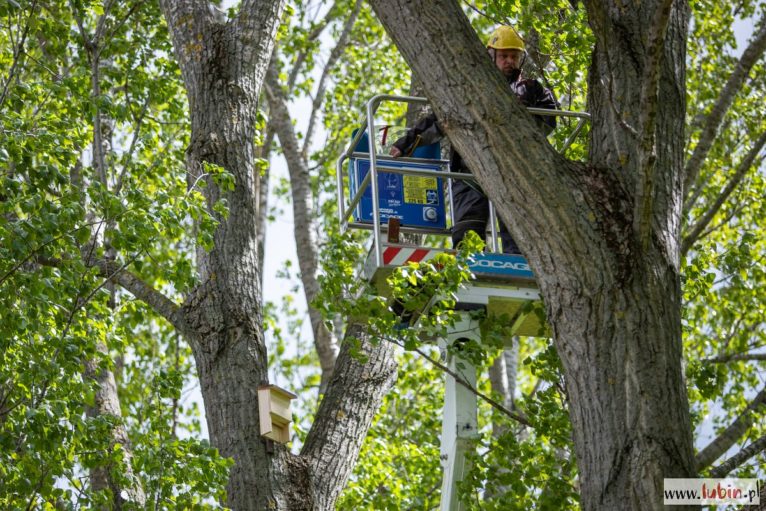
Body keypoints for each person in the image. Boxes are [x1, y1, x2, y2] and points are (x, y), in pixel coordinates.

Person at [390, 26, 558, 255]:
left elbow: (549, 119)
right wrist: (405, 144)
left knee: (518, 230)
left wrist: (519, 121)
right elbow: (439, 118)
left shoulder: (531, 89)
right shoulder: (470, 88)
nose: (509, 61)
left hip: (513, 169)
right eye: (504, 56)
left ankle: (520, 264)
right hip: (470, 169)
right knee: (468, 231)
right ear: (491, 55)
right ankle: (468, 267)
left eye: (514, 56)